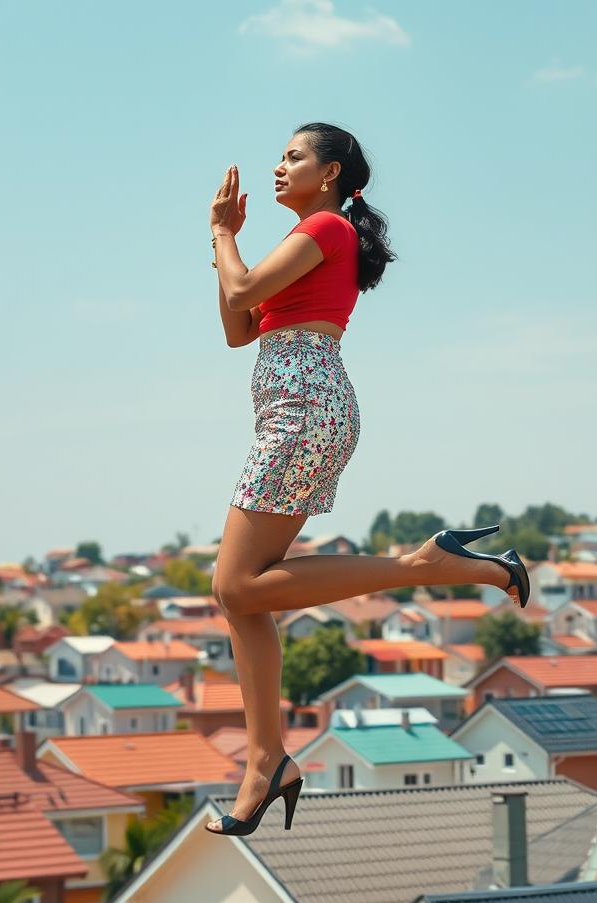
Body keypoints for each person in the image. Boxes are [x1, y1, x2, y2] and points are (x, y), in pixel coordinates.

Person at [205, 122, 529, 837]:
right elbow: (238, 326)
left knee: (234, 587)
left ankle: (425, 563)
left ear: (330, 173)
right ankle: (266, 761)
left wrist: (223, 236)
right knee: (245, 596)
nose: (279, 166)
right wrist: (224, 249)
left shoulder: (326, 227)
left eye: (293, 156)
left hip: (304, 408)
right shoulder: (311, 238)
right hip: (298, 407)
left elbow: (244, 285)